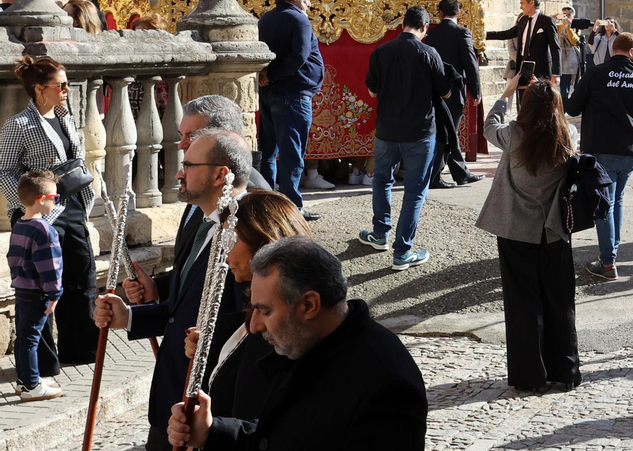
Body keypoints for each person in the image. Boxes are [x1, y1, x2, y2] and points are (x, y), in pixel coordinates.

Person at [165, 237, 427, 451]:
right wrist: (213, 432)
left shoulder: (386, 383)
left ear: (309, 305)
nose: (254, 326)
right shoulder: (307, 343)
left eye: (265, 311)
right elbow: (287, 438)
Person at [99, 128, 250, 451]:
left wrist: (210, 339)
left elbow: (253, 321)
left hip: (207, 405)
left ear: (220, 174)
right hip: (172, 397)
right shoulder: (201, 219)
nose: (179, 173)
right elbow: (181, 306)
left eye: (189, 165)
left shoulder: (247, 229)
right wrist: (129, 317)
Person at [479, 79, 582, 391]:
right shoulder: (568, 135)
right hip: (553, 228)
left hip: (515, 228)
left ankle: (529, 375)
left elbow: (489, 125)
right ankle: (565, 370)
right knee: (559, 298)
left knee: (522, 303)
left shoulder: (514, 134)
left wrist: (507, 94)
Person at [174, 193, 311, 422]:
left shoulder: (289, 330)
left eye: (231, 240)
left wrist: (215, 433)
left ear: (261, 241)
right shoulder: (251, 302)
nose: (223, 252)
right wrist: (212, 340)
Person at [1, 57, 96, 377]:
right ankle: (44, 364)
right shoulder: (19, 125)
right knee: (41, 289)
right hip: (40, 215)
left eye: (67, 84)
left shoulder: (66, 117)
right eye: (61, 85)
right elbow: (4, 170)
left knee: (82, 279)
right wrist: (28, 204)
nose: (68, 89)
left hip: (73, 208)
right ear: (40, 89)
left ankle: (81, 350)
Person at [359, 6, 453, 271]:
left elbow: (372, 91)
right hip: (420, 133)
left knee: (381, 180)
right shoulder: (429, 53)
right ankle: (403, 251)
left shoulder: (381, 51)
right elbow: (445, 93)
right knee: (414, 191)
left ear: (403, 25)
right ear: (424, 28)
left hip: (387, 130)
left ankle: (380, 234)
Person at [563, 31, 633, 280]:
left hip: (603, 148)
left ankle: (608, 262)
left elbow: (571, 107)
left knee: (606, 203)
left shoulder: (597, 73)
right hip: (632, 149)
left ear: (615, 49)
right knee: (617, 200)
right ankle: (610, 255)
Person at [256, 0, 324, 219]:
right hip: (292, 94)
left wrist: (267, 76)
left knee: (268, 150)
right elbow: (299, 56)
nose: (309, 5)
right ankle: (291, 208)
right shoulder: (299, 20)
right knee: (292, 152)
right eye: (307, 0)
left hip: (269, 91)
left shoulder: (266, 18)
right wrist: (273, 75)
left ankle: (266, 202)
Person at [9, 171, 64, 402]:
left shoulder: (20, 223)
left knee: (24, 337)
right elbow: (49, 266)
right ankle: (32, 384)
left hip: (21, 288)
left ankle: (25, 380)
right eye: (55, 197)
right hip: (38, 291)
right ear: (42, 199)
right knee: (31, 338)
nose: (55, 202)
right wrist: (54, 293)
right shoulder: (44, 230)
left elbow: (12, 256)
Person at [425, 0, 483, 189]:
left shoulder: (431, 35)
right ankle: (434, 176)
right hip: (455, 90)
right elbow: (470, 63)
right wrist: (476, 90)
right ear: (459, 13)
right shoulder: (463, 33)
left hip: (435, 91)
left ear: (440, 14)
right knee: (448, 134)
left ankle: (461, 173)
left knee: (447, 132)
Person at [486, 0, 560, 88]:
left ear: (531, 3)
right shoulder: (523, 20)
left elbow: (555, 47)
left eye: (522, 3)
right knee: (523, 99)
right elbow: (507, 33)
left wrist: (556, 73)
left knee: (540, 99)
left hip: (541, 69)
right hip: (524, 68)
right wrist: (484, 35)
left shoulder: (547, 21)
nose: (521, 7)